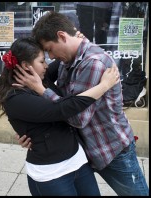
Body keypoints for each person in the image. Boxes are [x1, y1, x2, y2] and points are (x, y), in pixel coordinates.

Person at [15, 11, 149, 196]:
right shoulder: (68, 59)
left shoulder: (92, 64)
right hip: (84, 148)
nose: (51, 57)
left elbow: (77, 118)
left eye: (50, 49)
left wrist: (42, 90)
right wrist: (32, 133)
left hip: (110, 150)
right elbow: (60, 99)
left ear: (62, 36)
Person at [0, 37, 120, 196]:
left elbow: (63, 58)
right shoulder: (15, 98)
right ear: (26, 66)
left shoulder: (40, 78)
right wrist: (104, 86)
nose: (46, 65)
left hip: (78, 161)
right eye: (42, 61)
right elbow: (63, 108)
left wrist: (76, 40)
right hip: (51, 173)